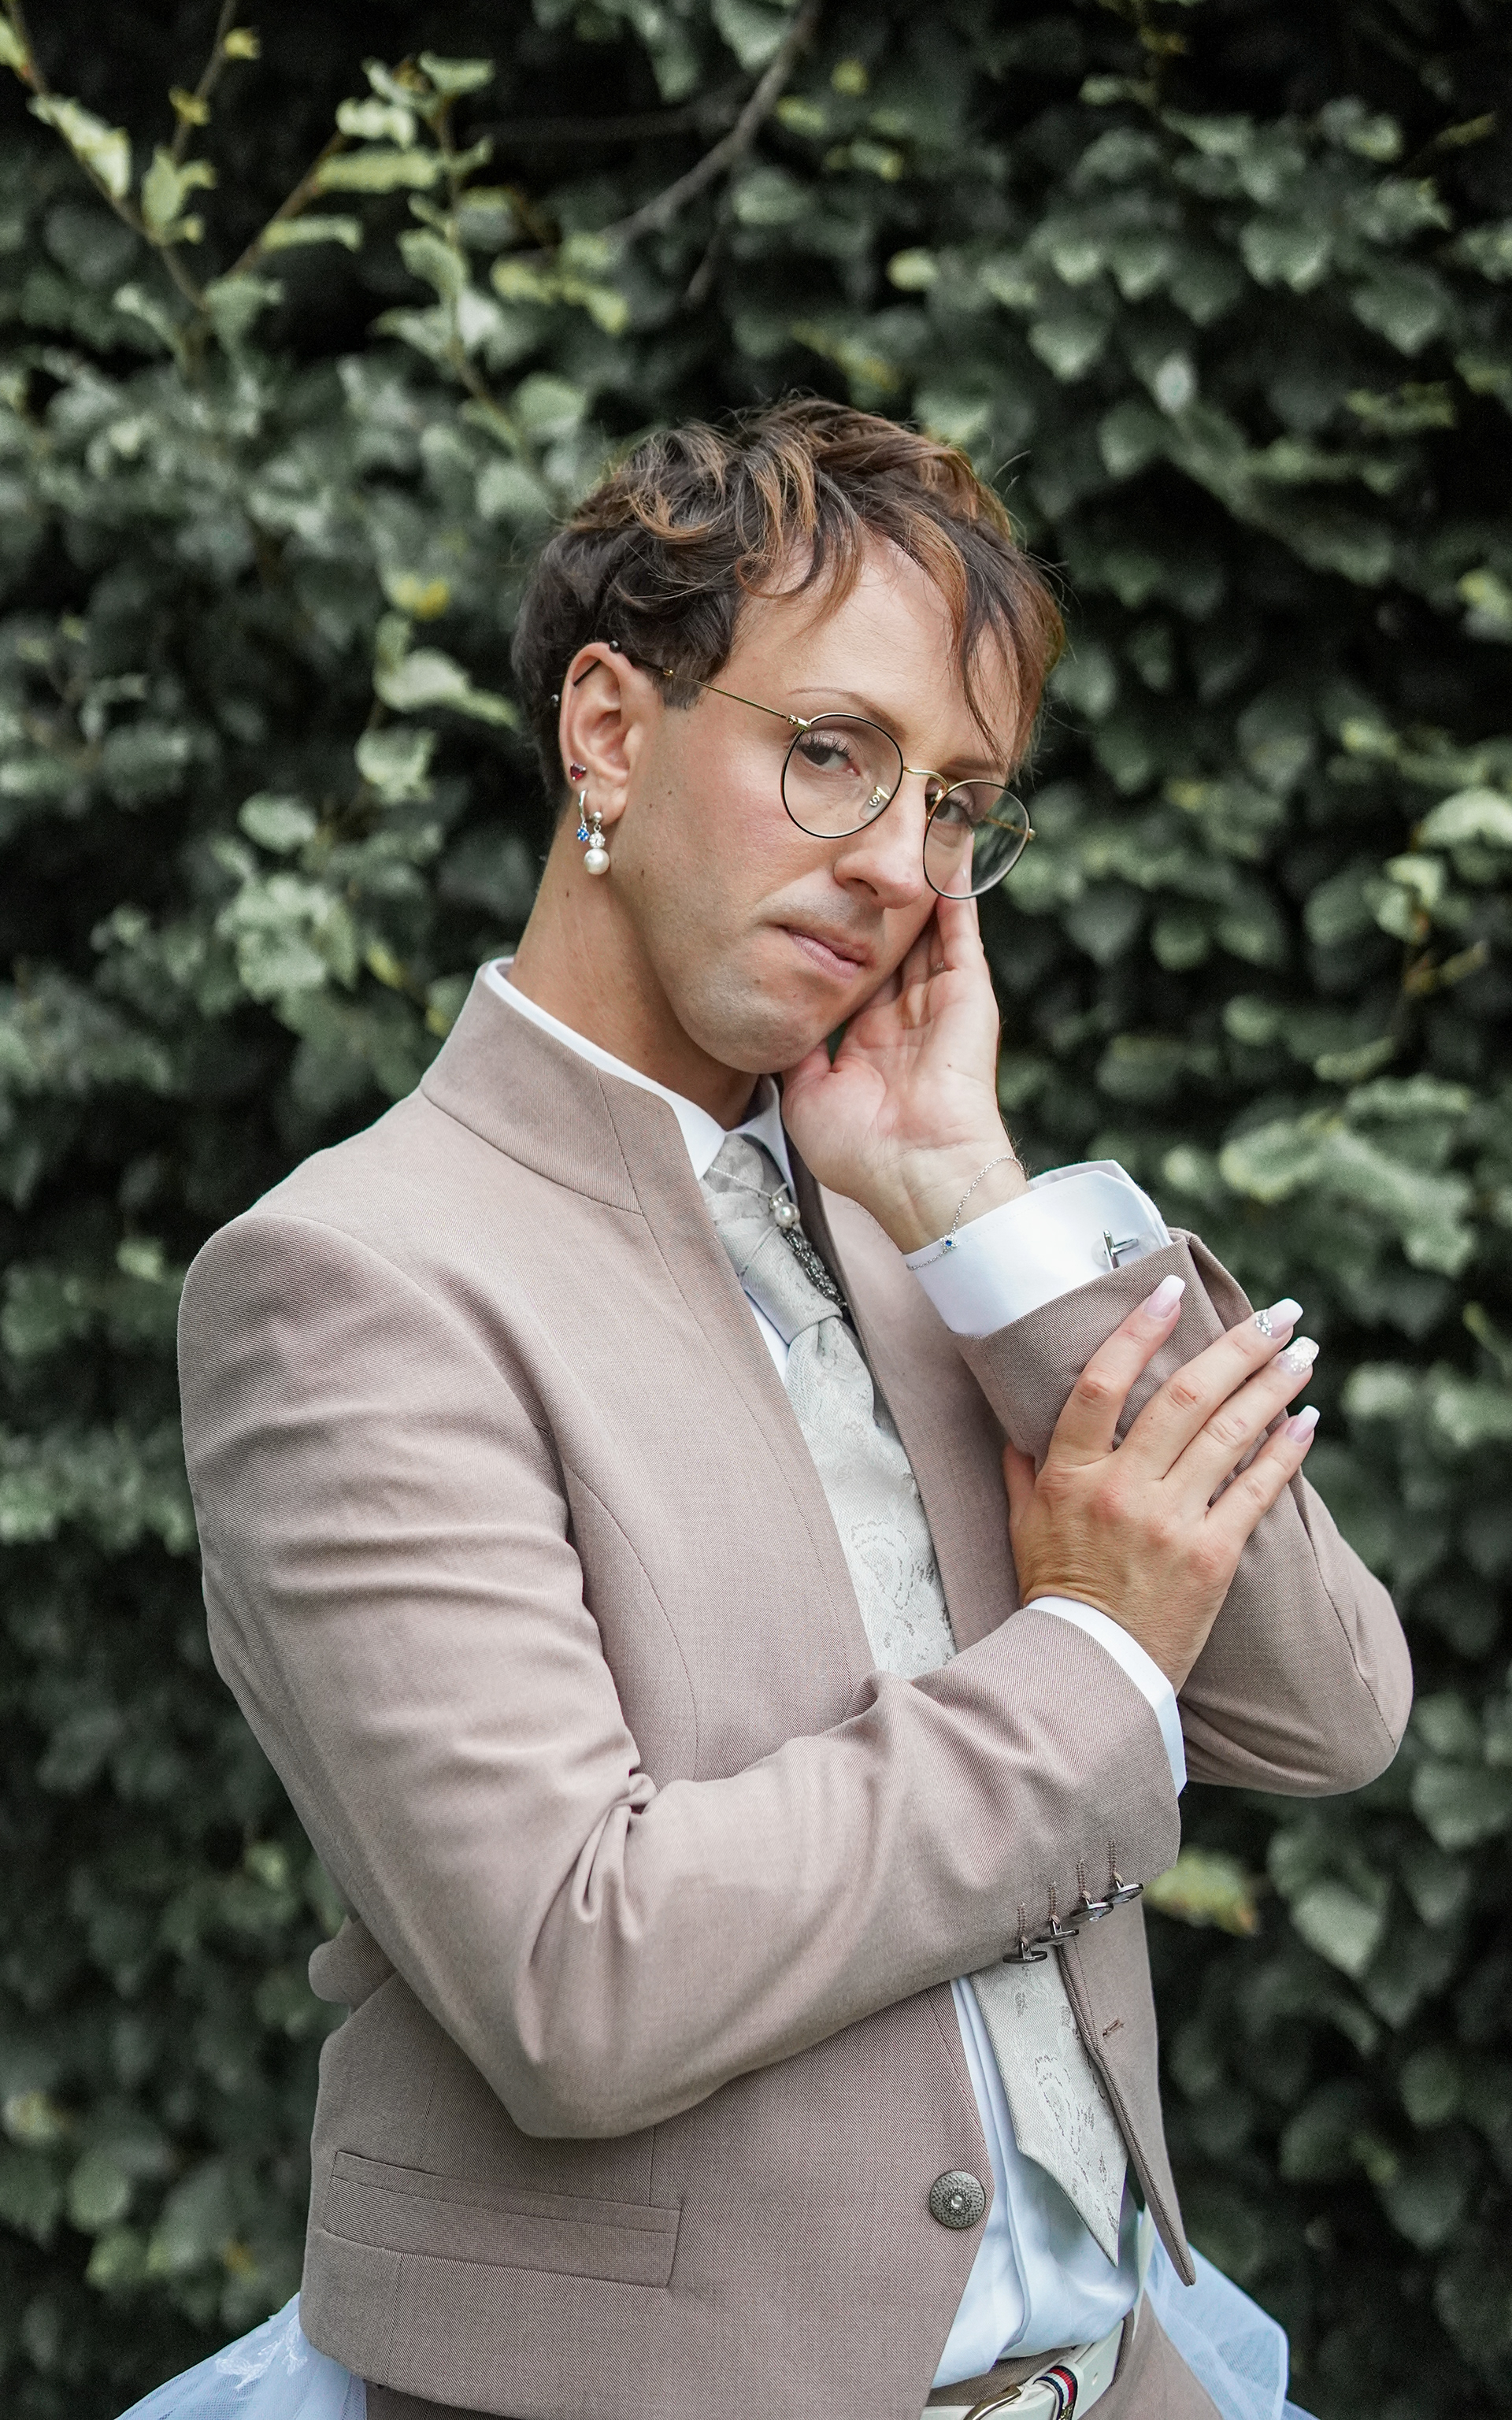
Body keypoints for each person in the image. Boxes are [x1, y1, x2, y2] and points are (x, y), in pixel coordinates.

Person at [169, 400, 1410, 2420]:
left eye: (959, 800)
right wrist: (1092, 1659)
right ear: (608, 729)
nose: (901, 866)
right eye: (833, 752)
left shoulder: (932, 1218)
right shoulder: (353, 1278)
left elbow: (1328, 1708)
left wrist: (973, 1196)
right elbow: (576, 1972)